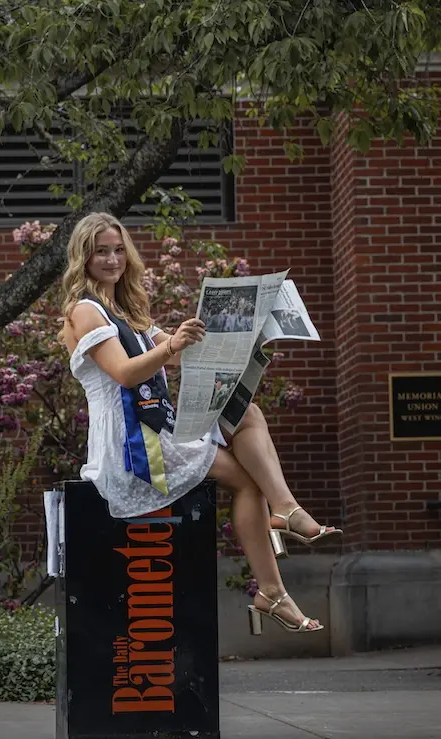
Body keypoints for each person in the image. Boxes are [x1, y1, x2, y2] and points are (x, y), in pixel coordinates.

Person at [60, 212, 342, 635]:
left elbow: (176, 356)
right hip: (133, 443)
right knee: (247, 482)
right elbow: (125, 372)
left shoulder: (126, 310)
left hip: (157, 423)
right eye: (101, 251)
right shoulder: (86, 311)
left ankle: (284, 512)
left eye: (119, 249)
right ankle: (273, 583)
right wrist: (171, 342)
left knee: (246, 413)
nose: (113, 258)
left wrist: (247, 334)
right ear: (84, 257)